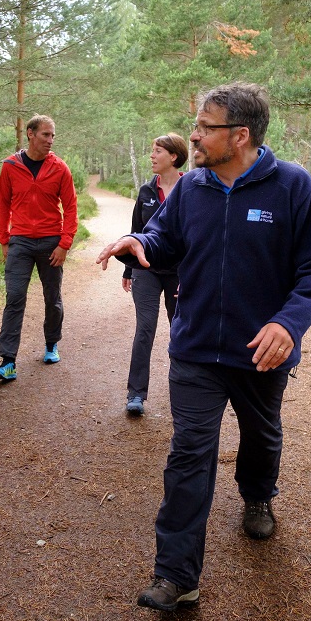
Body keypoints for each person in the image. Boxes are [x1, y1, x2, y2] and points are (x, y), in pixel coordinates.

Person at [96, 82, 311, 611]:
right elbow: (164, 238)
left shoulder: (293, 188)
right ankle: (177, 575)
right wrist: (139, 243)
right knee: (189, 455)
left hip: (261, 352)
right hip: (197, 348)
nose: (195, 135)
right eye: (197, 125)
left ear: (241, 135)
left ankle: (257, 495)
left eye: (206, 127)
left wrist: (289, 324)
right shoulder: (192, 187)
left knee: (261, 435)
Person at [0, 114, 78, 381]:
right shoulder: (10, 166)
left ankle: (51, 343)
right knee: (14, 298)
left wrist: (64, 244)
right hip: (21, 242)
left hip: (52, 242)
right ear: (30, 134)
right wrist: (4, 240)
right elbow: (3, 204)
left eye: (52, 136)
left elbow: (71, 207)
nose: (50, 141)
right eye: (45, 135)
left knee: (53, 297)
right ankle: (8, 361)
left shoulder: (60, 168)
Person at [122, 133, 187, 416]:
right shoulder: (147, 191)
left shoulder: (192, 188)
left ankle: (184, 393)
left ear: (173, 156)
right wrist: (128, 268)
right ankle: (136, 394)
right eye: (151, 151)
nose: (152, 156)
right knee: (145, 330)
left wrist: (192, 275)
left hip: (179, 274)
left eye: (157, 151)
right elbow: (136, 231)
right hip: (146, 271)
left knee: (181, 330)